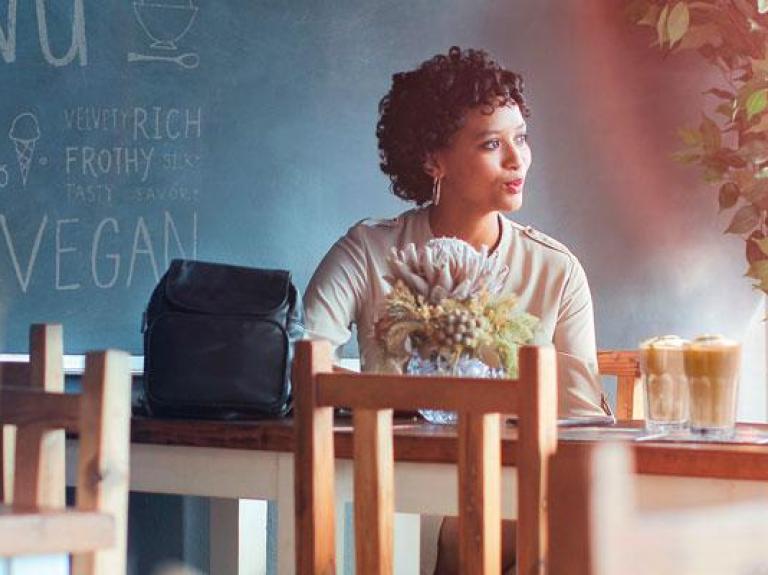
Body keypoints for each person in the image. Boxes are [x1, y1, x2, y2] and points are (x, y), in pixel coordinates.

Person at [303, 46, 610, 574]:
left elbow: (581, 417)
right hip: (399, 494)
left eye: (521, 137)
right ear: (432, 159)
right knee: (577, 529)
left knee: (588, 519)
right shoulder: (370, 250)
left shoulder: (555, 270)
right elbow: (304, 354)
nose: (518, 160)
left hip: (517, 487)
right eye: (492, 143)